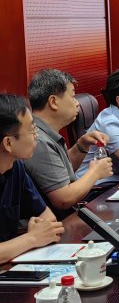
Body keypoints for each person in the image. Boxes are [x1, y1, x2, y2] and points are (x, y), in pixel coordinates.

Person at [24, 70, 113, 215]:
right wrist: (95, 173)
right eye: (72, 97)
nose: (77, 103)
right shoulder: (39, 141)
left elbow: (59, 172)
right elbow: (63, 199)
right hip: (57, 222)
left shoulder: (46, 133)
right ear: (53, 102)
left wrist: (81, 146)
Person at [0, 94, 64, 264]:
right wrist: (33, 238)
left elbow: (49, 219)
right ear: (8, 143)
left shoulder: (16, 167)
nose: (36, 135)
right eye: (31, 130)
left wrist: (38, 231)